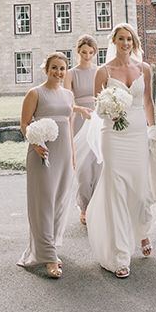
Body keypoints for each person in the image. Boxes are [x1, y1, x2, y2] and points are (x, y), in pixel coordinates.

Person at [85, 23, 155, 279]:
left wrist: (153, 131)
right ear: (113, 41)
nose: (125, 43)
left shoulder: (145, 69)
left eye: (129, 39)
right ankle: (119, 255)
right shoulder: (103, 71)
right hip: (113, 136)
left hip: (137, 135)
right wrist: (110, 111)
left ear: (134, 42)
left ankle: (141, 230)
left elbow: (147, 102)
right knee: (116, 190)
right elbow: (97, 108)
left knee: (139, 188)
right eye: (121, 39)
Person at [17, 52, 89, 278]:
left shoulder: (68, 95)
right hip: (42, 154)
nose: (58, 72)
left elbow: (68, 125)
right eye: (54, 68)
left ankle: (52, 246)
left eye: (62, 68)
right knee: (43, 203)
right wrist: (36, 143)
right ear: (46, 69)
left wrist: (73, 156)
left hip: (65, 154)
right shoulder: (35, 93)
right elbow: (24, 124)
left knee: (59, 202)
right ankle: (48, 257)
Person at [68, 35, 100, 225]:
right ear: (78, 51)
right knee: (82, 167)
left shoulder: (99, 71)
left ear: (94, 53)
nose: (87, 56)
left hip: (97, 118)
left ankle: (96, 205)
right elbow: (66, 98)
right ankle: (84, 206)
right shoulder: (71, 73)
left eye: (90, 52)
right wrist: (79, 109)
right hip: (79, 119)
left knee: (98, 164)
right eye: (83, 52)